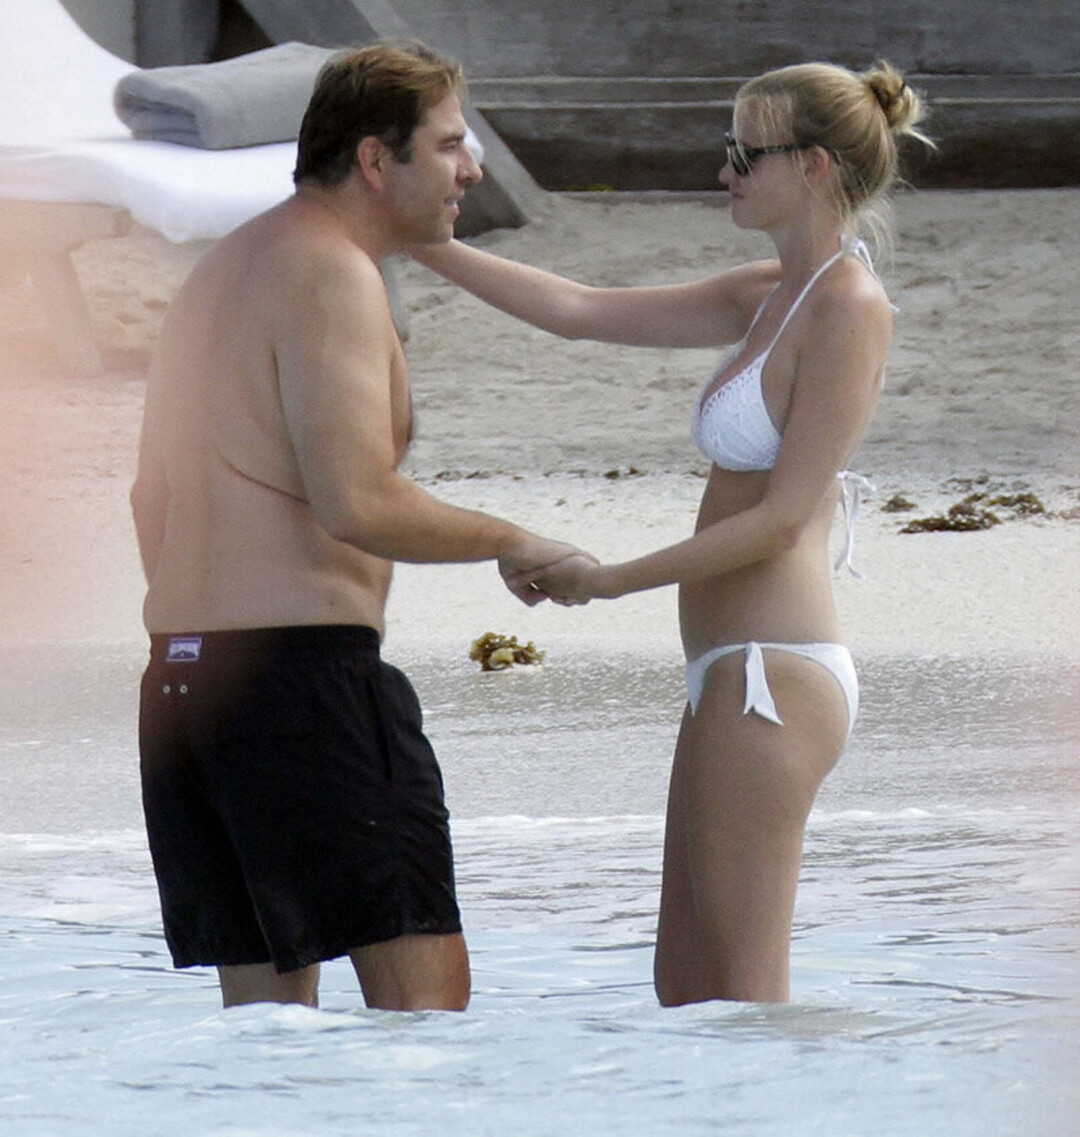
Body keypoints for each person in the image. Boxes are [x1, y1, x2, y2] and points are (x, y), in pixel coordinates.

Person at [411, 60, 932, 1003]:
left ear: (813, 166)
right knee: (686, 990)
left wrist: (610, 578)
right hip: (725, 674)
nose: (724, 170)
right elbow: (578, 311)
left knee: (745, 997)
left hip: (773, 672)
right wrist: (417, 240)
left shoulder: (850, 307)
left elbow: (781, 522)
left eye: (745, 153)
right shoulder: (770, 290)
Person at [130, 40, 587, 1013]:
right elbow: (358, 502)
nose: (472, 169)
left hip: (184, 687)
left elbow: (149, 502)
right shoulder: (330, 272)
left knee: (265, 1046)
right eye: (451, 144)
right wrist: (514, 541)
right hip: (299, 680)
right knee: (424, 1029)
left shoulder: (223, 269)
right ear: (376, 159)